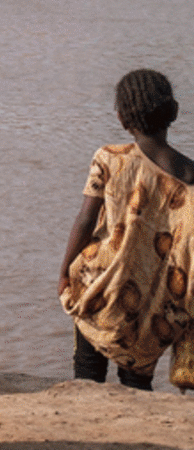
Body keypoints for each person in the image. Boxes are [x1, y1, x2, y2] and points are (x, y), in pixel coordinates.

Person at [58, 69, 194, 391]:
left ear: (121, 118)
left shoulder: (109, 158)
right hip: (153, 303)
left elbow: (85, 221)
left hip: (100, 286)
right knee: (136, 383)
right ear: (173, 113)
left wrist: (64, 270)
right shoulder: (191, 174)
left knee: (88, 374)